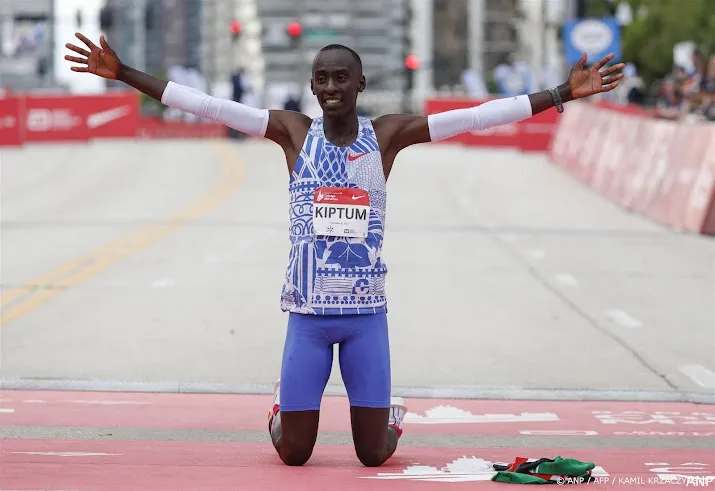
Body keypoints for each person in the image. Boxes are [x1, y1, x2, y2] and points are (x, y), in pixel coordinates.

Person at [64, 32, 625, 468]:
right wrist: (124, 76)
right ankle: (284, 406)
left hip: (365, 319)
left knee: (373, 454)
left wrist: (559, 94)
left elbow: (476, 117)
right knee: (294, 453)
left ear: (360, 84)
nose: (331, 87)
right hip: (307, 319)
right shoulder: (290, 132)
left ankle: (391, 416)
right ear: (312, 87)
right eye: (322, 79)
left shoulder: (385, 136)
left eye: (341, 78)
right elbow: (206, 105)